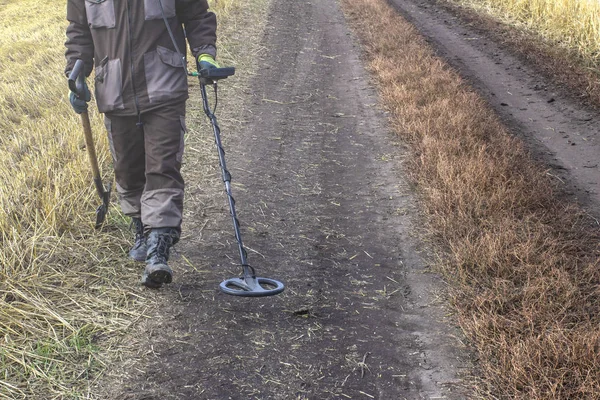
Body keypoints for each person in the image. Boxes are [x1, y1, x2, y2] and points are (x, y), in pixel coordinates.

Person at [64, 0, 219, 288]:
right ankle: (141, 228)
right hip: (114, 88)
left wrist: (205, 55)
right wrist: (76, 73)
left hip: (164, 85)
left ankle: (158, 247)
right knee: (128, 169)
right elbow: (79, 32)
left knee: (163, 165)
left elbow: (197, 15)